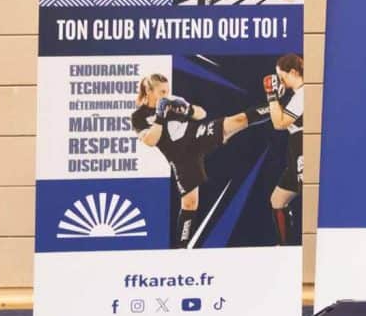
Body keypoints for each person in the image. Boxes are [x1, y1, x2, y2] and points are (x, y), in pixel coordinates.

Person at [129, 74, 260, 249]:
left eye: (167, 90)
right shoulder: (138, 116)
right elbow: (150, 140)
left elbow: (201, 114)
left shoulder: (172, 101)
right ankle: (182, 250)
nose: (166, 95)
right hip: (179, 156)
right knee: (190, 203)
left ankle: (275, 108)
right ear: (149, 91)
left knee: (239, 120)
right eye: (161, 92)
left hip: (196, 135)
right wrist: (160, 116)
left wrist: (187, 109)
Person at [264, 53, 306, 245]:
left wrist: (272, 96)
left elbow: (279, 123)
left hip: (304, 150)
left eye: (282, 77)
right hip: (295, 150)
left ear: (294, 72)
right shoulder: (298, 95)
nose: (280, 81)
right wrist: (276, 99)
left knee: (309, 199)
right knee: (277, 200)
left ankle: (308, 248)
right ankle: (285, 245)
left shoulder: (304, 93)